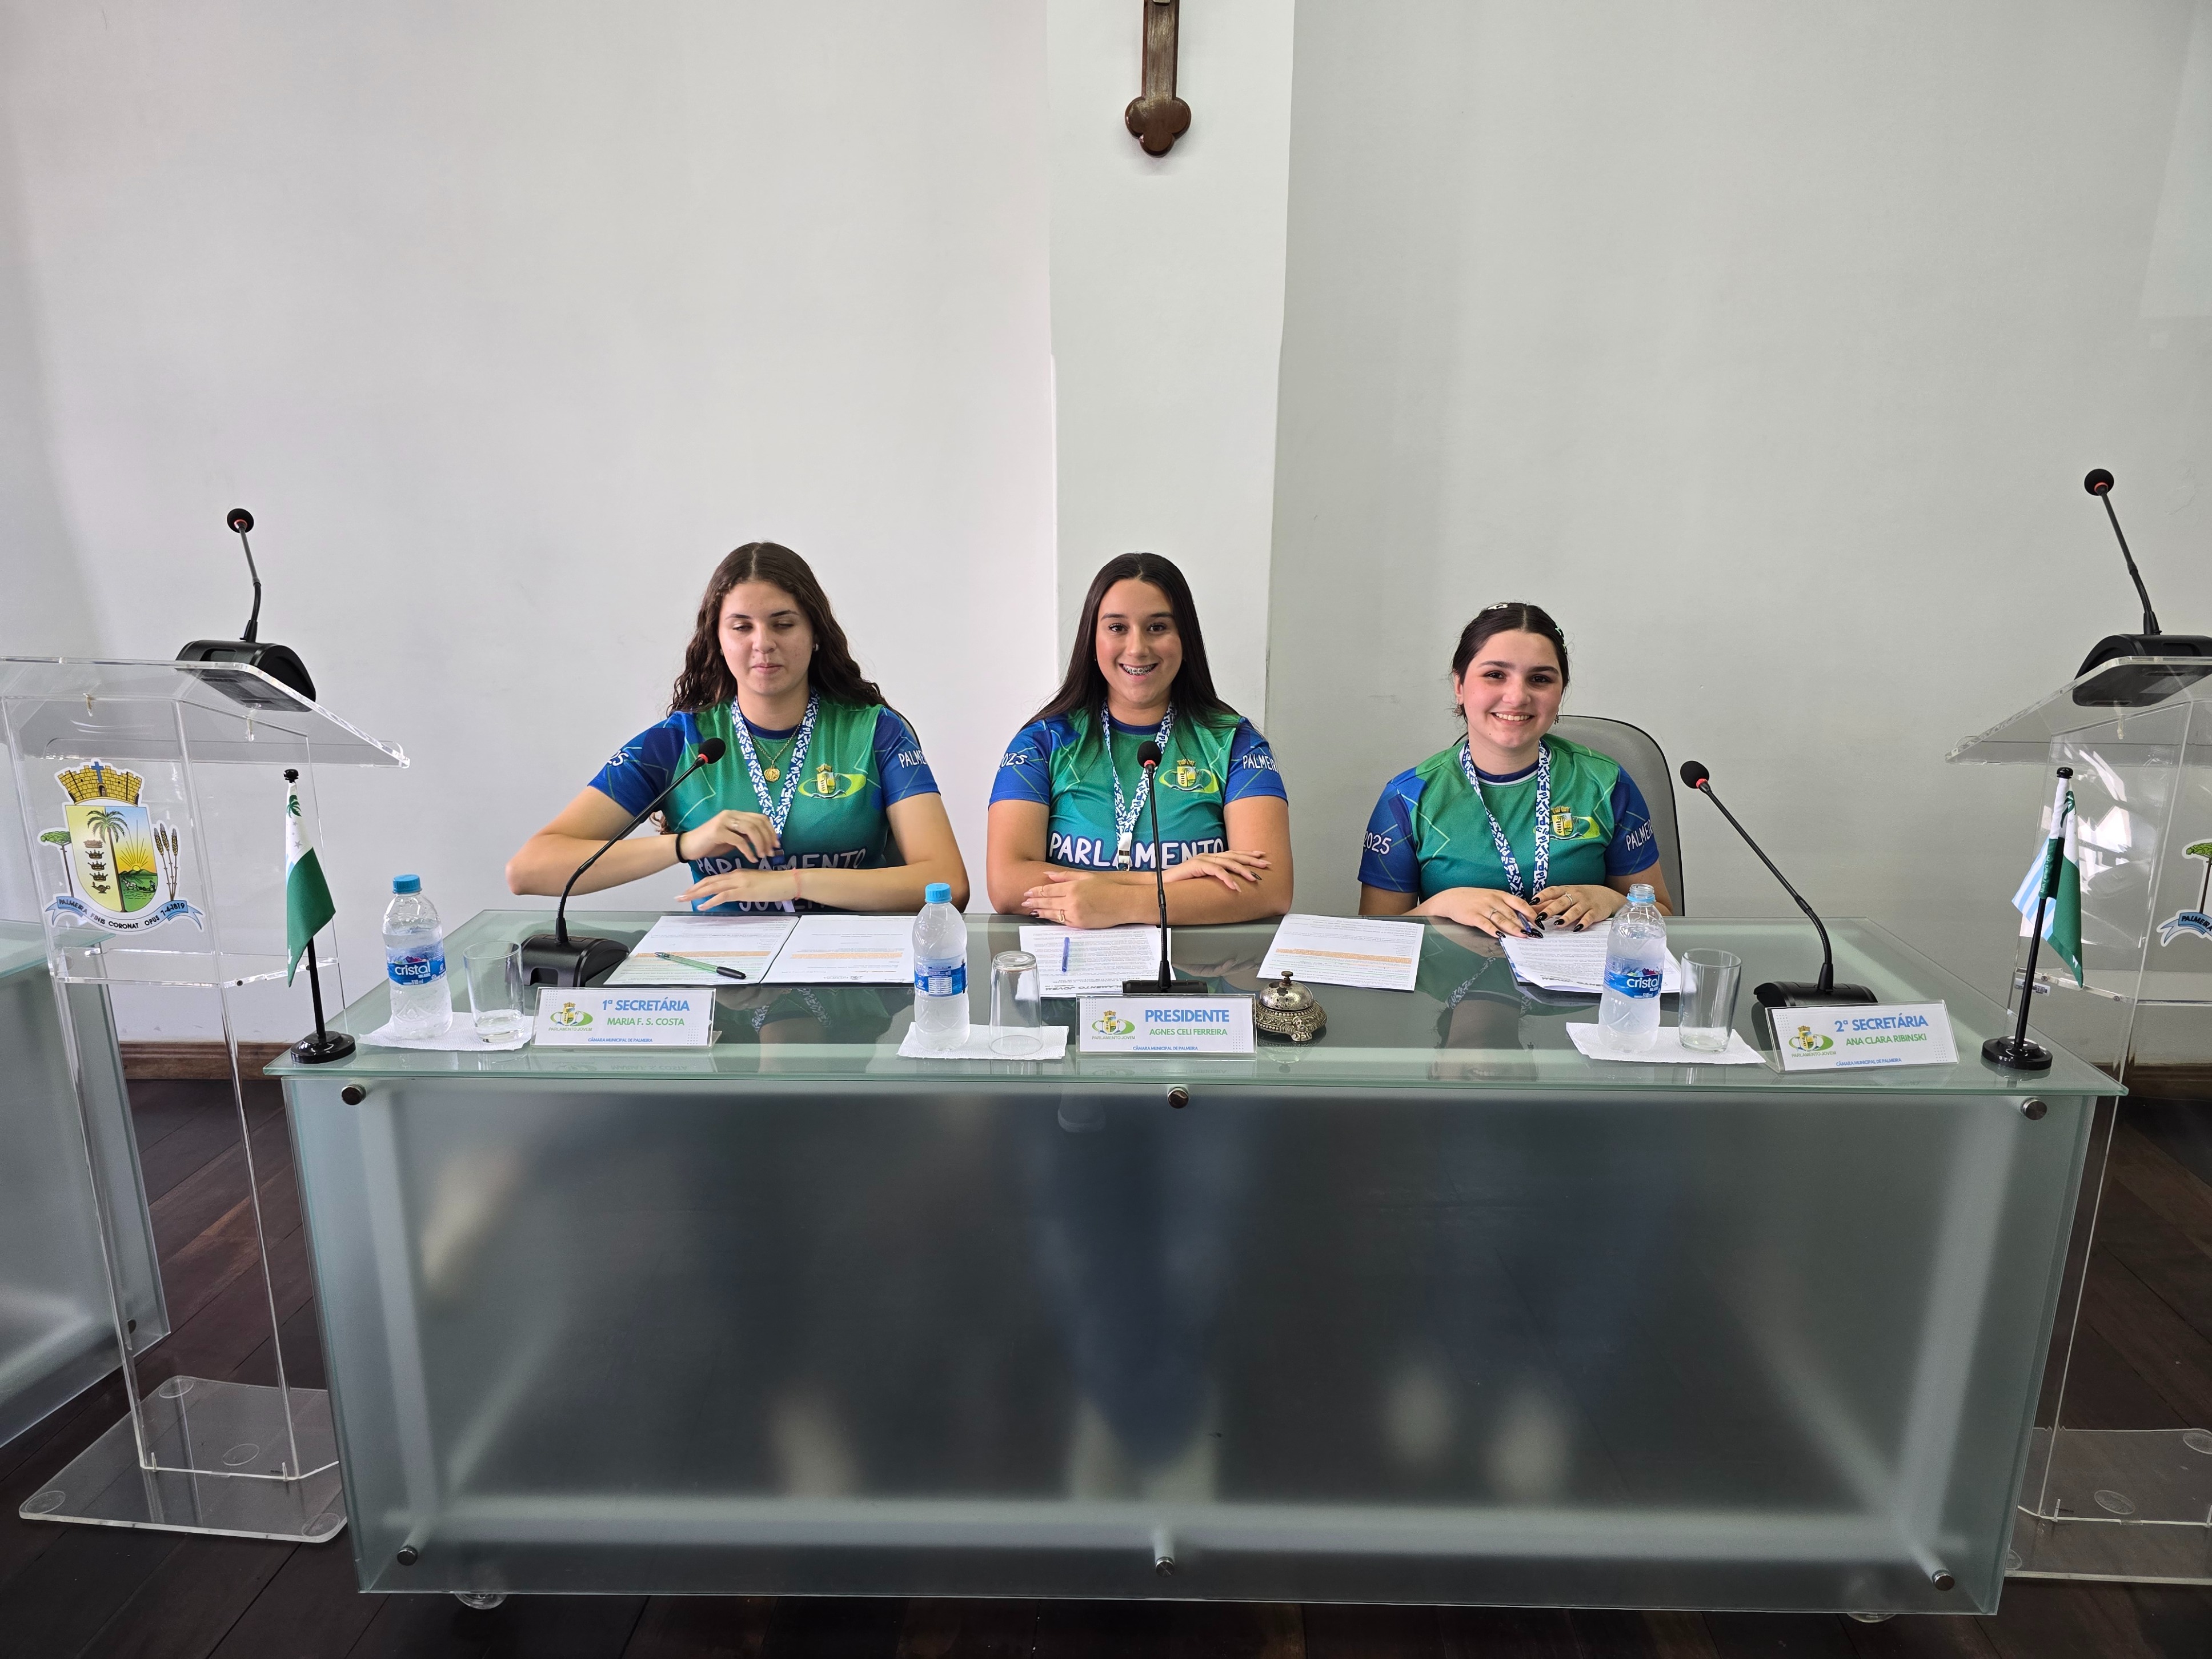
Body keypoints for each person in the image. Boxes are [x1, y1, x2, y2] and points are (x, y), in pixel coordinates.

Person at [507, 542, 969, 914]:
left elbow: (948, 883)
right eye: (741, 627)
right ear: (718, 639)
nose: (763, 644)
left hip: (855, 971)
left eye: (783, 624)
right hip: (725, 979)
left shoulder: (876, 732)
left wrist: (791, 883)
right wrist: (685, 845)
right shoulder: (679, 742)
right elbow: (528, 871)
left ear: (815, 634)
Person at [987, 552, 1292, 927]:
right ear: (1092, 640)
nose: (1137, 649)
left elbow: (1271, 888)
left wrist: (1121, 903)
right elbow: (1007, 884)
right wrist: (1167, 881)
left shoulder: (1234, 741)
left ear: (1185, 638)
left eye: (1157, 627)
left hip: (1194, 963)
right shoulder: (1043, 741)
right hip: (1068, 962)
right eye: (1117, 628)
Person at [1358, 602, 1670, 935]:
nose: (1517, 696)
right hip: (1453, 969)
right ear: (1459, 686)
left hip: (1584, 970)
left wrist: (1612, 900)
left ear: (1560, 692)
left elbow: (1665, 915)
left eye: (1540, 679)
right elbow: (1375, 940)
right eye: (1495, 675)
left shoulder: (1607, 783)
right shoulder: (1407, 798)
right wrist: (1440, 906)